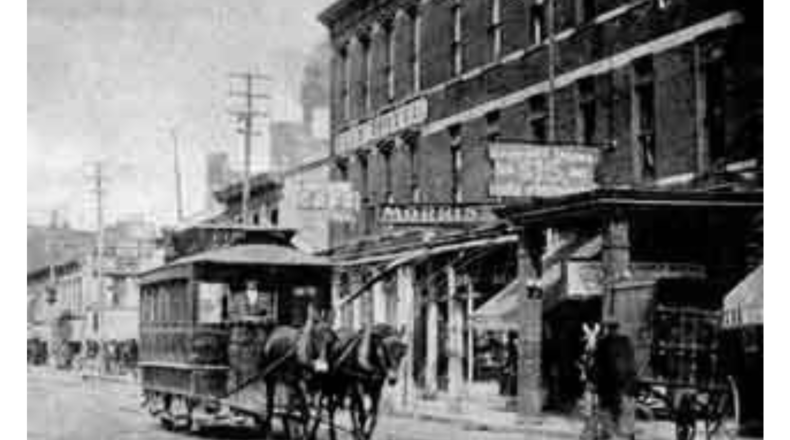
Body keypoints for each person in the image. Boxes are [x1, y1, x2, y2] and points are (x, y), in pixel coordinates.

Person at [592, 322, 637, 440]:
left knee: (610, 409)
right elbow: (630, 361)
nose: (612, 331)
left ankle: (610, 433)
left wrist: (595, 381)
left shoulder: (604, 342)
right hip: (617, 383)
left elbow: (597, 364)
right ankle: (619, 433)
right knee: (618, 409)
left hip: (610, 384)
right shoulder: (624, 342)